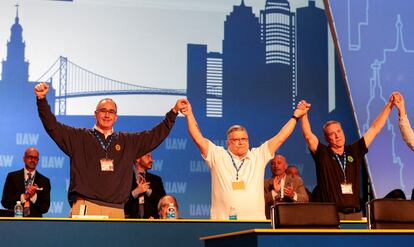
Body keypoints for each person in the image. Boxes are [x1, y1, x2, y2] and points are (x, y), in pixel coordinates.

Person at [34, 82, 187, 218]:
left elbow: (155, 135)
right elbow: (52, 126)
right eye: (103, 110)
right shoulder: (78, 138)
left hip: (116, 210)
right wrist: (42, 100)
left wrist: (173, 113)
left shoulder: (128, 141)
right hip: (86, 207)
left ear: (116, 117)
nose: (107, 114)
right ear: (95, 114)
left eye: (111, 112)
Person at [181, 99, 309, 220]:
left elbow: (281, 137)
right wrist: (189, 114)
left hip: (254, 224)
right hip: (222, 223)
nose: (241, 142)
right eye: (236, 140)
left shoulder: (258, 155)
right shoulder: (218, 155)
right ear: (228, 142)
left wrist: (295, 117)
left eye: (244, 139)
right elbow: (198, 138)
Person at [299, 97, 393, 220]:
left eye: (339, 131)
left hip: (355, 214)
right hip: (332, 215)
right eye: (332, 134)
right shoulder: (323, 153)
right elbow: (308, 136)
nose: (337, 135)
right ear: (326, 138)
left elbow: (375, 128)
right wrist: (304, 114)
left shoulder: (354, 151)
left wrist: (390, 105)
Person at [1, 148, 51, 217]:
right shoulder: (12, 177)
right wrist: (24, 197)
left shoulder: (44, 181)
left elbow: (45, 208)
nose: (33, 160)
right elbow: (5, 202)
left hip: (35, 222)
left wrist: (33, 196)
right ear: (24, 158)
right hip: (14, 221)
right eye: (30, 157)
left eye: (36, 158)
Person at [264, 155, 309, 219]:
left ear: (286, 166)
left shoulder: (296, 181)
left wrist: (293, 195)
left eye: (279, 163)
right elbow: (261, 202)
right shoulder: (265, 183)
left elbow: (305, 199)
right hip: (272, 219)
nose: (276, 166)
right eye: (273, 164)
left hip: (292, 219)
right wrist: (274, 192)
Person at [124, 152, 166, 219]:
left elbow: (163, 202)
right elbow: (121, 202)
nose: (151, 160)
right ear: (137, 159)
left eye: (151, 157)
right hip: (130, 223)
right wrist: (136, 192)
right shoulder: (126, 178)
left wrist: (148, 191)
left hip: (151, 223)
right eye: (148, 156)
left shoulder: (156, 180)